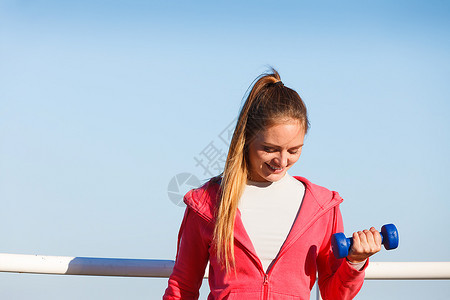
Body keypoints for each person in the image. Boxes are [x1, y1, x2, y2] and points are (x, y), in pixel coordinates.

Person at [163, 69, 382, 300]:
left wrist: (355, 261)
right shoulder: (206, 203)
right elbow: (182, 288)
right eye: (269, 149)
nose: (282, 161)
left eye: (294, 150)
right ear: (246, 138)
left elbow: (333, 294)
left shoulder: (323, 207)